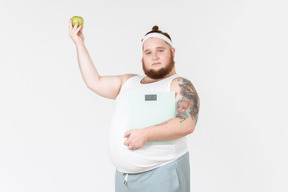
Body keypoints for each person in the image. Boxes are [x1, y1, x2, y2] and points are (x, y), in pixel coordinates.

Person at [69, 19, 200, 192]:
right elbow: (94, 81)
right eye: (148, 52)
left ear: (172, 52)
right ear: (142, 57)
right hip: (125, 180)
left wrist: (146, 134)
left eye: (160, 50)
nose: (154, 56)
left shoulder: (179, 84)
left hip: (162, 175)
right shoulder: (129, 81)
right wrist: (80, 44)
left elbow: (187, 122)